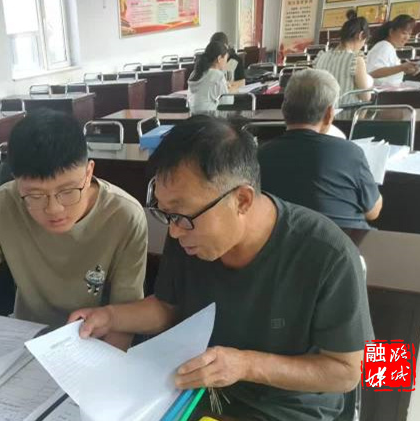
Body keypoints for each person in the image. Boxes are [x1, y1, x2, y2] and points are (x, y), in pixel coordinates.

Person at [69, 114, 373, 420]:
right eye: (167, 214)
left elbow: (347, 372)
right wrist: (110, 317)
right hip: (193, 394)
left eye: (181, 215)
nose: (173, 231)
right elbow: (167, 307)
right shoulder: (186, 228)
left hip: (282, 410)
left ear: (242, 201)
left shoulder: (327, 254)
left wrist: (245, 365)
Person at [0, 109, 147, 350]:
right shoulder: (3, 205)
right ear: (17, 182)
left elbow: (125, 316)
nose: (54, 209)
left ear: (89, 172)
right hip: (26, 340)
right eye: (35, 195)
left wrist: (107, 364)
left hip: (91, 344)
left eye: (68, 191)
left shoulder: (124, 216)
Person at [258, 69, 382, 229]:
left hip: (286, 242)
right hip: (348, 241)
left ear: (284, 110)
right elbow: (373, 212)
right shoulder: (350, 153)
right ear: (329, 114)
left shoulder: (261, 155)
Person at [314, 10, 374, 105]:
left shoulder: (321, 57)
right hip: (346, 113)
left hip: (322, 112)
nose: (363, 45)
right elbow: (366, 97)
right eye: (365, 41)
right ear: (360, 35)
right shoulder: (355, 60)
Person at [367, 14, 419, 85]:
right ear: (391, 32)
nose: (407, 38)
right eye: (404, 33)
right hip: (382, 90)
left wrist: (406, 69)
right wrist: (402, 68)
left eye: (409, 34)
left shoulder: (389, 47)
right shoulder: (384, 47)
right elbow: (373, 73)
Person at [188, 41, 234, 112]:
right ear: (219, 58)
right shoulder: (217, 75)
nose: (226, 62)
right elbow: (227, 103)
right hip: (210, 116)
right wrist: (230, 90)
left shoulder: (194, 73)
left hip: (193, 115)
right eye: (226, 59)